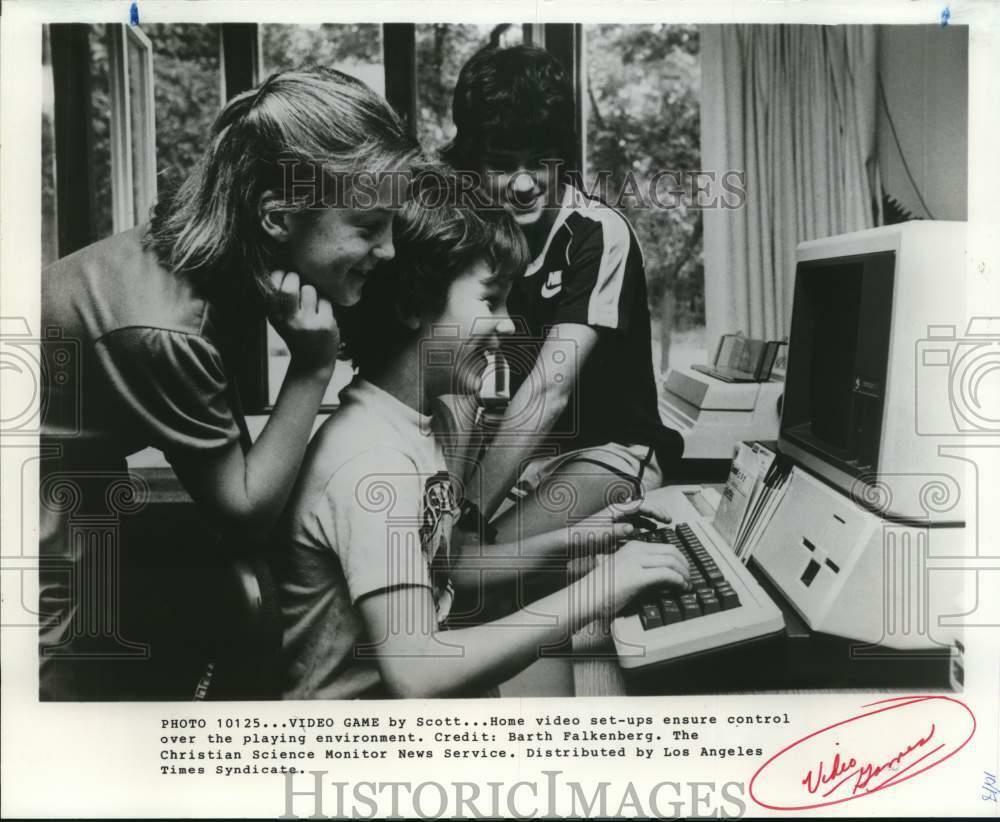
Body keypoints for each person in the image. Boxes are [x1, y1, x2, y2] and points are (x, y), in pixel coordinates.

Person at [38, 68, 419, 700]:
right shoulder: (170, 329)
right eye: (367, 226)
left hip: (81, 489)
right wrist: (311, 367)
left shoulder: (222, 271)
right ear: (276, 216)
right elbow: (242, 513)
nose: (389, 251)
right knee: (44, 707)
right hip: (33, 498)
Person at [278, 180, 690, 698]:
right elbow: (418, 672)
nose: (510, 323)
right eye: (491, 300)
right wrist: (602, 588)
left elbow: (446, 567)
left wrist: (578, 540)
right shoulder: (371, 460)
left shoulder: (416, 425)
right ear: (414, 305)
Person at [441, 46, 683, 546]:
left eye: (541, 163)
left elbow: (549, 392)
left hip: (609, 452)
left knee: (479, 556)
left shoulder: (597, 233)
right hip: (528, 459)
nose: (526, 184)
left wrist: (463, 518)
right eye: (503, 165)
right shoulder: (477, 236)